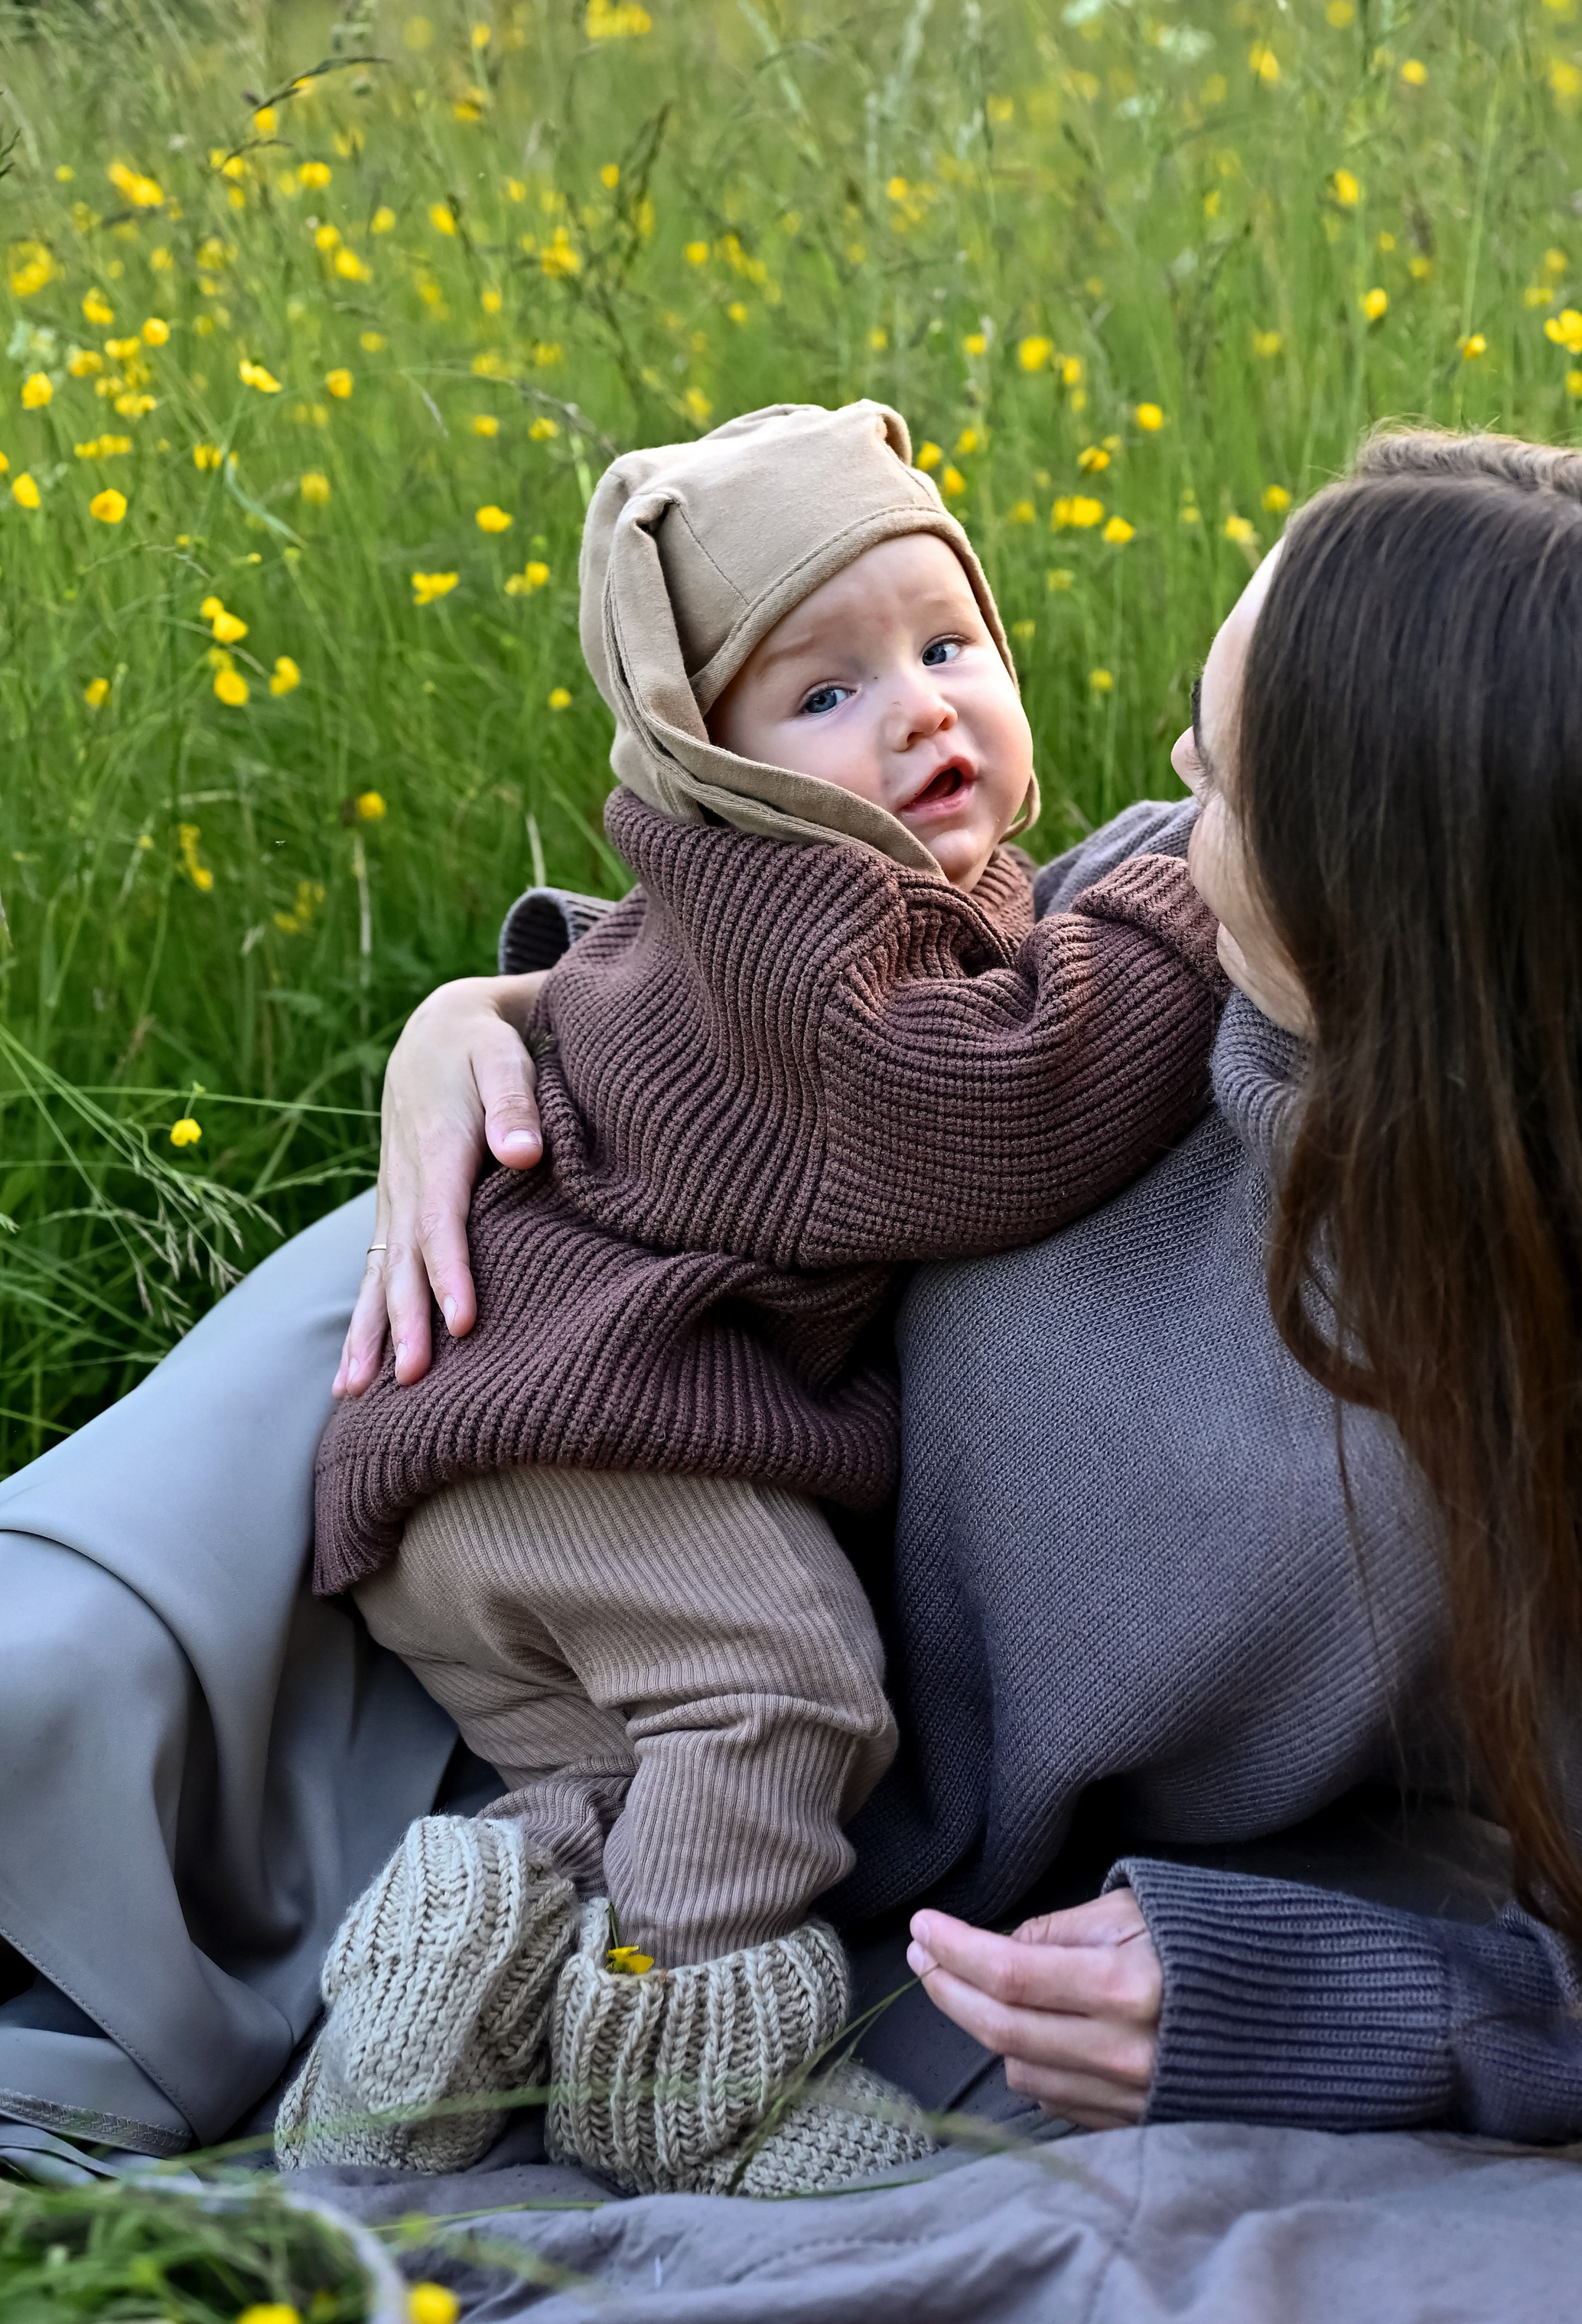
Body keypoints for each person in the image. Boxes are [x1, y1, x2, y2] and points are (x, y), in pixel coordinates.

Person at [340, 431, 1582, 2170]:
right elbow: (804, 1020)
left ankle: (593, 2073)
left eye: (1222, 778)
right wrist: (488, 1016)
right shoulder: (1175, 945)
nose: (1165, 793)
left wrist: (1310, 1999)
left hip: (758, 1800)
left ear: (1401, 911)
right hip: (567, 1441)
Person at [285, 400, 1225, 2195]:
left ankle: (420, 2024)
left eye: (946, 646)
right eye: (826, 692)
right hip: (597, 1434)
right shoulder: (809, 935)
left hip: (464, 1454)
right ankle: (687, 2096)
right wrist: (1186, 906)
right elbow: (1001, 1112)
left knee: (643, 1794)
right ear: (705, 757)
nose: (920, 711)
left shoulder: (759, 894)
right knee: (783, 1701)